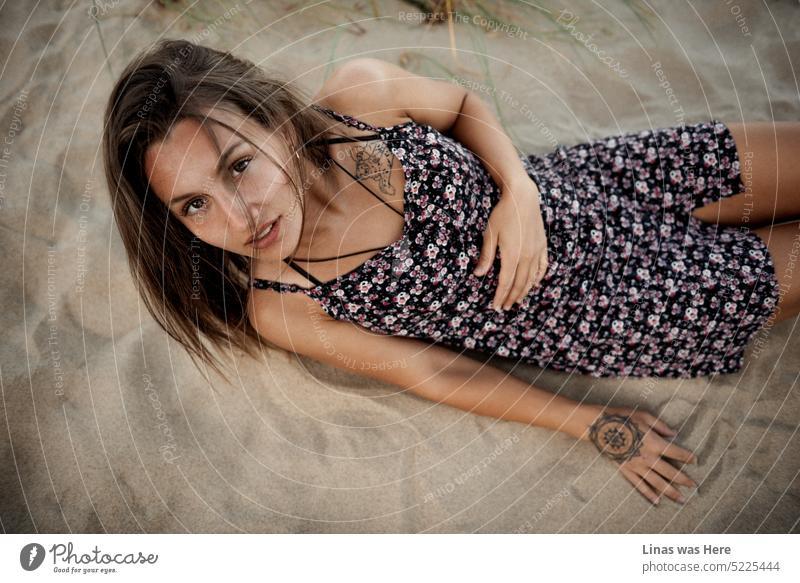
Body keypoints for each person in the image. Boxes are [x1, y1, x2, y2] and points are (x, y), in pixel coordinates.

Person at [102, 39, 799, 507]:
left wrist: (519, 192)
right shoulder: (286, 303)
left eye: (239, 164)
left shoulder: (359, 100)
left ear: (276, 123)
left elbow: (461, 106)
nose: (239, 213)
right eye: (195, 203)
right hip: (615, 306)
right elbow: (433, 373)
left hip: (599, 180)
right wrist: (592, 423)